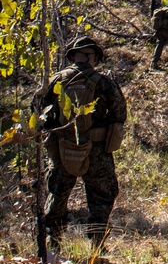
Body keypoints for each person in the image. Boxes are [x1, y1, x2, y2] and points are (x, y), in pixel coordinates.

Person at [35, 36, 127, 249]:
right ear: (94, 58)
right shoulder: (105, 82)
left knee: (57, 193)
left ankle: (53, 243)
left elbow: (40, 113)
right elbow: (120, 114)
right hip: (96, 150)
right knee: (101, 197)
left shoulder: (56, 80)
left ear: (73, 56)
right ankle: (97, 244)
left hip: (62, 147)